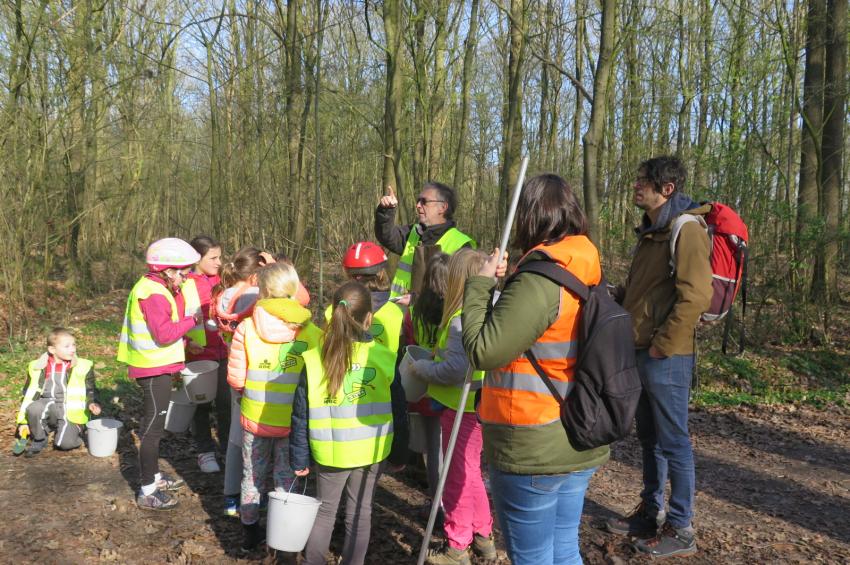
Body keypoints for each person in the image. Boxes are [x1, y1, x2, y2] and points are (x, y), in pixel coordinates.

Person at [462, 174, 609, 565]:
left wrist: (477, 287)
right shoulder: (585, 268)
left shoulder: (540, 281)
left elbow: (483, 350)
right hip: (578, 431)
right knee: (563, 550)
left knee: (534, 558)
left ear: (529, 217)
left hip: (533, 443)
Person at [605, 156, 712, 559]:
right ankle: (651, 513)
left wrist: (662, 344)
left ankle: (681, 528)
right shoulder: (652, 231)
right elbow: (644, 294)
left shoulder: (686, 228)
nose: (635, 187)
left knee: (674, 442)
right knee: (650, 440)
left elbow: (696, 296)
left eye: (642, 182)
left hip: (666, 356)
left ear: (666, 189)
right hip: (641, 350)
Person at [290, 282, 409, 565]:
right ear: (370, 318)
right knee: (360, 512)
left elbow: (300, 413)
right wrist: (400, 452)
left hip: (330, 452)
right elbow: (399, 412)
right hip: (371, 452)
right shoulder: (385, 358)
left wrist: (299, 455)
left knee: (325, 511)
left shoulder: (314, 358)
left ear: (333, 312)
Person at [227, 262, 322, 551]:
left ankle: (250, 534)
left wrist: (246, 392)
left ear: (263, 291)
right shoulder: (310, 332)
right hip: (293, 422)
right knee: (286, 477)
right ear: (294, 290)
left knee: (252, 475)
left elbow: (236, 377)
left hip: (255, 417)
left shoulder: (246, 327)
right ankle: (283, 540)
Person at [409, 249, 495, 565]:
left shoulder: (461, 319)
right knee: (470, 472)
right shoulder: (481, 311)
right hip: (471, 406)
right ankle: (483, 535)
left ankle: (457, 544)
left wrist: (424, 370)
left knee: (457, 476)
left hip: (463, 408)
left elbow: (456, 368)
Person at [117, 237, 202, 511]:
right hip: (152, 368)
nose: (186, 277)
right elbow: (164, 333)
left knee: (155, 426)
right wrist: (193, 321)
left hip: (158, 365)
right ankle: (147, 490)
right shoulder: (152, 293)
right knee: (153, 430)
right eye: (183, 272)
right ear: (167, 270)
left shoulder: (158, 288)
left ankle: (153, 476)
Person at [213, 246, 270, 517]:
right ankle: (250, 493)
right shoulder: (252, 295)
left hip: (234, 370)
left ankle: (230, 495)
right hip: (255, 371)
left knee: (237, 436)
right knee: (251, 438)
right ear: (256, 275)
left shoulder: (222, 296)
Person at [375, 181, 476, 302]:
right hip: (398, 317)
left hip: (437, 320)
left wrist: (417, 301)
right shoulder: (413, 233)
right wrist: (386, 211)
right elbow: (386, 235)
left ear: (443, 207)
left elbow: (462, 293)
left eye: (424, 201)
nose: (417, 205)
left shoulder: (462, 245)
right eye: (418, 201)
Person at [405, 252, 450, 521]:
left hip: (423, 386)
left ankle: (438, 504)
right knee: (447, 449)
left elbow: (410, 345)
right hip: (449, 387)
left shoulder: (414, 312)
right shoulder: (456, 310)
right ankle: (446, 508)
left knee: (434, 450)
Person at [16, 328, 101, 457]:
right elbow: (28, 394)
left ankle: (75, 429)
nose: (72, 349)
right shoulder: (37, 367)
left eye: (74, 345)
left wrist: (92, 403)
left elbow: (91, 390)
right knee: (34, 408)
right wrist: (23, 423)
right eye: (67, 346)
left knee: (64, 444)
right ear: (52, 350)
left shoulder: (83, 366)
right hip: (48, 404)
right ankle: (40, 437)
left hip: (70, 410)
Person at [182, 235, 228, 474]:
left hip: (225, 350)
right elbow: (177, 318)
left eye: (220, 257)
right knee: (201, 404)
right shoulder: (185, 283)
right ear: (197, 258)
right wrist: (187, 342)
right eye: (213, 258)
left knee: (226, 404)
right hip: (199, 353)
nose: (219, 262)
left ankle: (229, 449)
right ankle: (205, 451)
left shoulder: (223, 280)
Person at [326, 241, 404, 354]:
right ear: (381, 274)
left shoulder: (334, 309)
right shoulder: (395, 312)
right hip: (386, 370)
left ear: (349, 275)